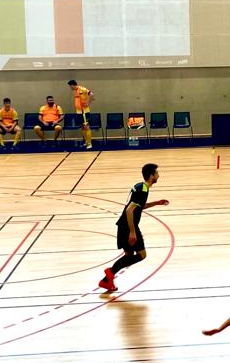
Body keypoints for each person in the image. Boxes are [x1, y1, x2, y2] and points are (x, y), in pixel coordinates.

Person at [98, 163, 169, 292]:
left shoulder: (140, 186)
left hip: (123, 226)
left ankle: (106, 281)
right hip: (128, 227)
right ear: (152, 176)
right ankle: (110, 272)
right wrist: (132, 232)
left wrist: (156, 203)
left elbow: (138, 206)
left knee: (129, 255)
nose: (159, 175)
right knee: (141, 255)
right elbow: (129, 210)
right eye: (157, 173)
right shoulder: (143, 190)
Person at [68, 79, 94, 150]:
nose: (70, 88)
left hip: (84, 111)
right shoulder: (76, 91)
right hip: (79, 112)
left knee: (86, 127)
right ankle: (86, 142)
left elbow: (91, 94)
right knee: (82, 127)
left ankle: (89, 144)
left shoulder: (82, 89)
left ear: (73, 85)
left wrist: (88, 103)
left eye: (70, 86)